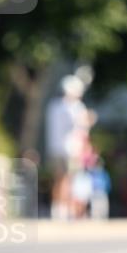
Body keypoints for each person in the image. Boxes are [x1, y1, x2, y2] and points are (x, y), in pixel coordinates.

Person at [45, 75, 90, 220]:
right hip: (70, 149)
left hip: (56, 147)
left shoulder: (54, 105)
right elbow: (80, 126)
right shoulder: (73, 107)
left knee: (59, 179)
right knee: (67, 179)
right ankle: (64, 209)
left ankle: (58, 208)